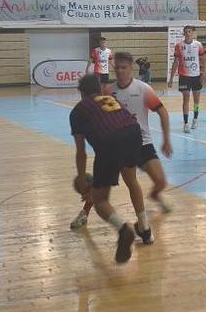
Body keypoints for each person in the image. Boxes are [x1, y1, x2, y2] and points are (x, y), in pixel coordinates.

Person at [70, 53, 173, 230]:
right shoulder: (108, 92)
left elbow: (162, 112)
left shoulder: (143, 89)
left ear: (131, 68)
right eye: (116, 67)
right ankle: (86, 211)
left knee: (160, 181)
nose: (119, 71)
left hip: (142, 141)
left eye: (123, 67)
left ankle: (153, 199)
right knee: (108, 184)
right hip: (118, 142)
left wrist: (166, 139)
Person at [70, 74, 148, 263]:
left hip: (110, 141)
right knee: (132, 180)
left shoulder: (78, 110)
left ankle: (124, 229)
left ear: (81, 92)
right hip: (134, 134)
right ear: (100, 89)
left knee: (101, 200)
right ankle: (144, 228)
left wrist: (82, 178)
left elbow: (81, 152)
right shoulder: (111, 99)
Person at [168, 25, 206, 133]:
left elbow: (203, 60)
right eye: (186, 32)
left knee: (196, 101)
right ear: (184, 34)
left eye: (189, 31)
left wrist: (203, 72)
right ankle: (186, 123)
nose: (188, 33)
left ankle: (195, 118)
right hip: (184, 77)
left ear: (192, 33)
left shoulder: (198, 45)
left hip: (196, 76)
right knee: (186, 99)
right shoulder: (179, 46)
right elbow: (175, 62)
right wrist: (171, 78)